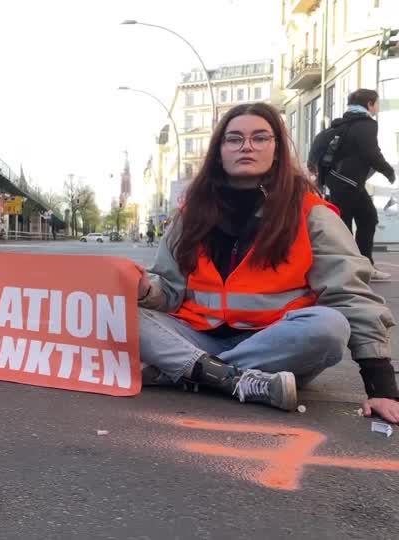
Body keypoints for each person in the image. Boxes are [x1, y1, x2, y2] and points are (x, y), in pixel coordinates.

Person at [137, 103, 398, 422]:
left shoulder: (310, 213)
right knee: (125, 317)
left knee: (330, 326)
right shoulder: (189, 216)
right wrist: (144, 291)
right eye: (234, 139)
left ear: (277, 150)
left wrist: (381, 386)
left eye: (260, 138)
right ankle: (230, 378)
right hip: (197, 335)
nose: (246, 146)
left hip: (274, 345)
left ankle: (187, 371)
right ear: (219, 152)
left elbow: (350, 295)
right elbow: (169, 291)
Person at [308, 89, 396, 281]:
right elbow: (371, 152)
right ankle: (354, 269)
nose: (378, 107)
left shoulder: (340, 124)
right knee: (362, 221)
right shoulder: (366, 124)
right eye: (377, 103)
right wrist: (389, 171)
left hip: (338, 182)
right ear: (370, 104)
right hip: (349, 183)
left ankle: (355, 267)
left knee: (357, 222)